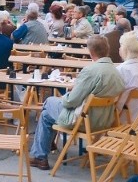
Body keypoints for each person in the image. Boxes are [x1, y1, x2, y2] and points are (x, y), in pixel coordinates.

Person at [29, 35, 125, 170]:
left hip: (84, 120)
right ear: (107, 50)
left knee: (48, 103)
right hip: (104, 120)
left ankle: (41, 154)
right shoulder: (116, 71)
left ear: (90, 51)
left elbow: (71, 102)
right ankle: (42, 151)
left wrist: (65, 96)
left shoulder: (91, 71)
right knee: (46, 116)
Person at [116, 32, 138, 122]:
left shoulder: (121, 70)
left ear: (125, 49)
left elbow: (116, 97)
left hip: (125, 116)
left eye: (120, 46)